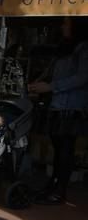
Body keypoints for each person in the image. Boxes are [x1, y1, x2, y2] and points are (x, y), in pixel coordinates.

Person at [29, 16, 88, 205]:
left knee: (65, 149)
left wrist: (52, 86)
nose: (63, 26)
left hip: (71, 106)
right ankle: (53, 185)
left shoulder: (83, 48)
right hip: (57, 104)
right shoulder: (65, 48)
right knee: (58, 147)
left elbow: (81, 77)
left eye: (66, 23)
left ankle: (59, 189)